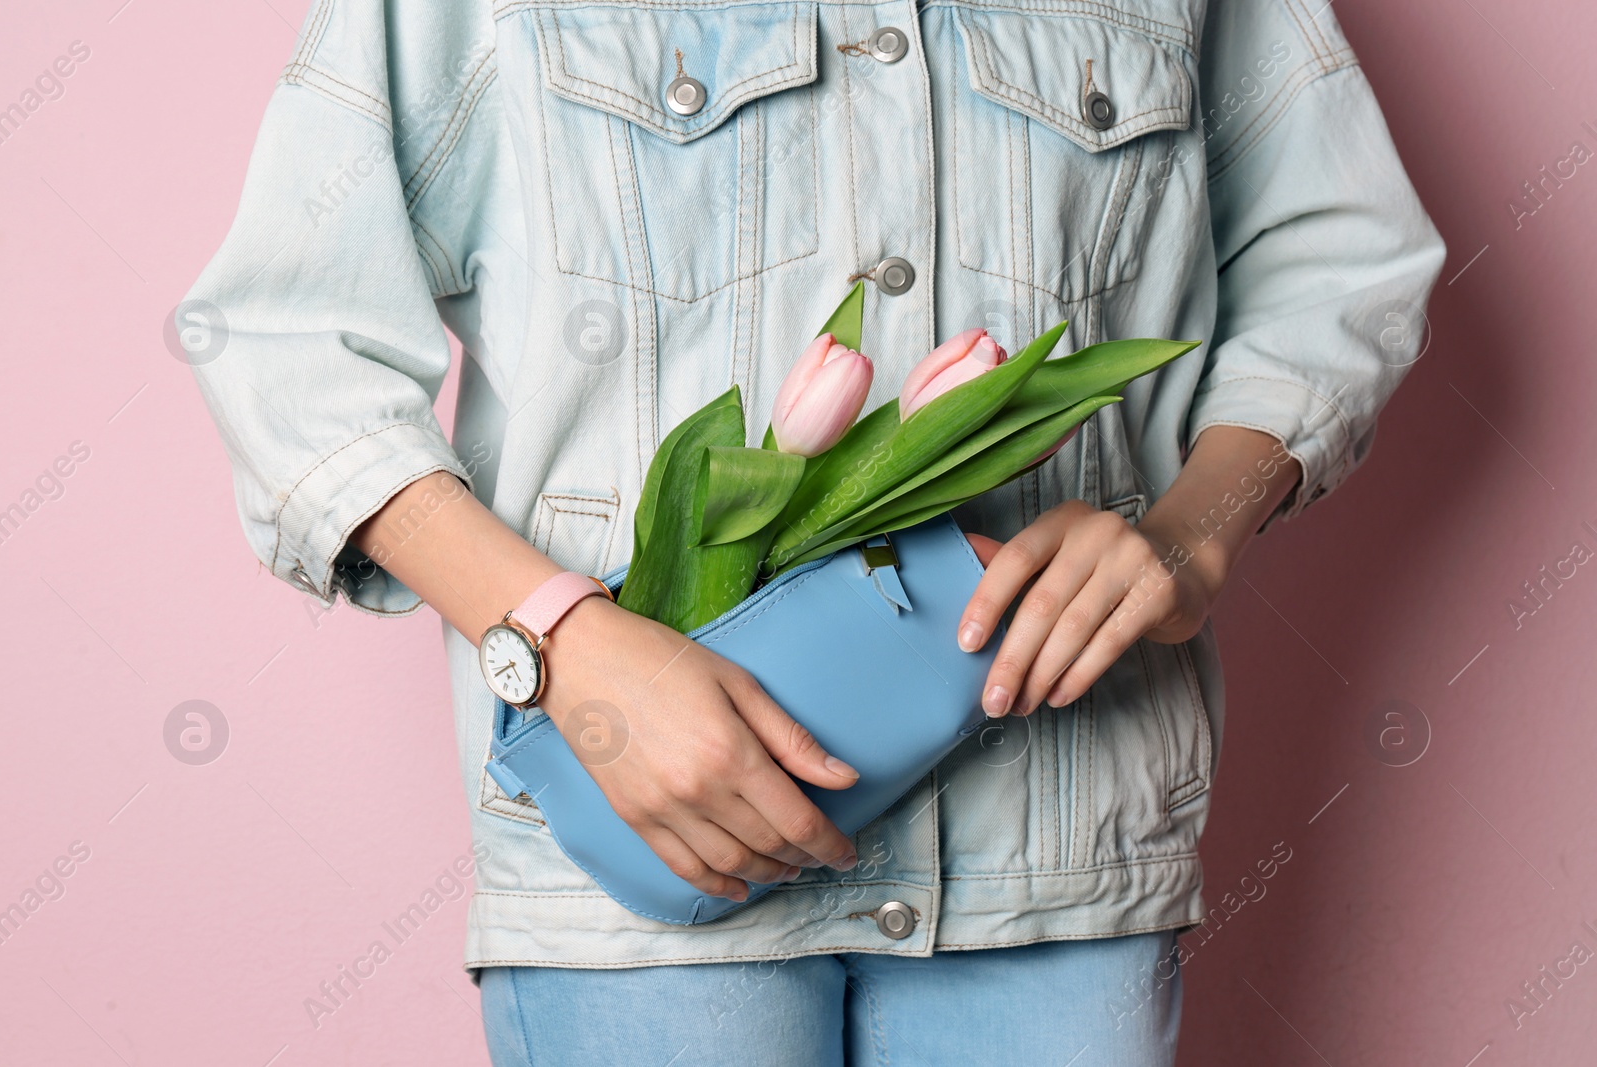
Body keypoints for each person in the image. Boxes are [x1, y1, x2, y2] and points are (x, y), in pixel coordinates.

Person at [183, 0, 1443, 1061]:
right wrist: (560, 641)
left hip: (1060, 841)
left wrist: (1191, 532)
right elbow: (287, 336)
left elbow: (1340, 265)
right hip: (647, 867)